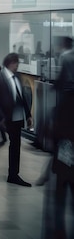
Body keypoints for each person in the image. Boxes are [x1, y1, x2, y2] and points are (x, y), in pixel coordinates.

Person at [0, 53, 33, 187]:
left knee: (15, 145)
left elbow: (22, 96)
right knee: (11, 143)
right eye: (15, 63)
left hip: (18, 117)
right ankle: (12, 174)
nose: (17, 65)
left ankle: (13, 174)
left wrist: (28, 115)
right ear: (9, 63)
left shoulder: (17, 77)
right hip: (6, 117)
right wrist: (2, 116)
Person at [51, 36, 74, 239]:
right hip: (66, 154)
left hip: (64, 157)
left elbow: (57, 131)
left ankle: (58, 230)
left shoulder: (65, 103)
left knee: (61, 193)